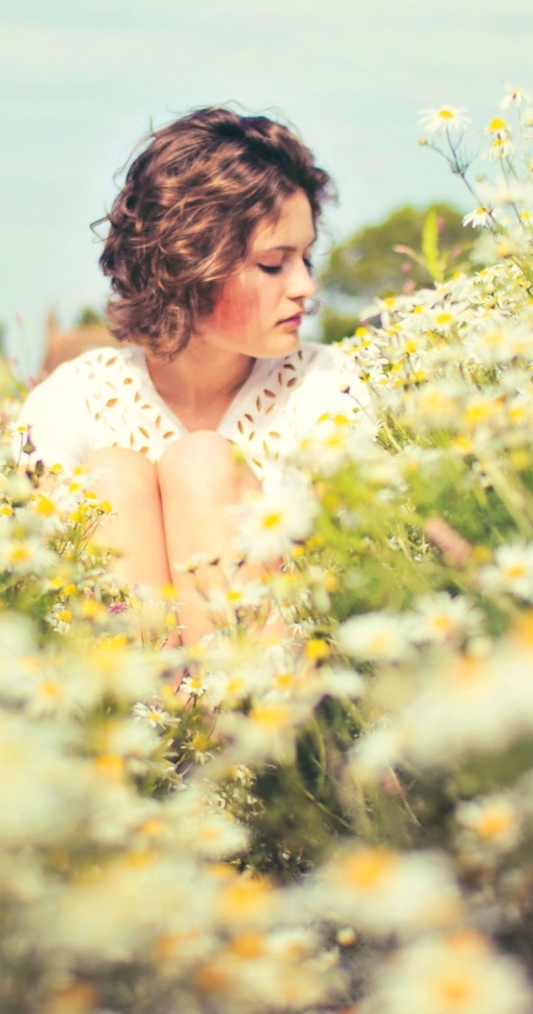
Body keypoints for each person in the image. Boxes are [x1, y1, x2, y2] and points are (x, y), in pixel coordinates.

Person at [19, 107, 373, 643]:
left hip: (288, 701)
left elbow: (353, 575)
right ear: (189, 265)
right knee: (111, 476)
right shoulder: (73, 399)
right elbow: (30, 573)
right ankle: (168, 720)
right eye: (274, 264)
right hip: (121, 702)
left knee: (203, 463)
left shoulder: (330, 385)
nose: (305, 286)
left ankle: (221, 721)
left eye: (307, 259)